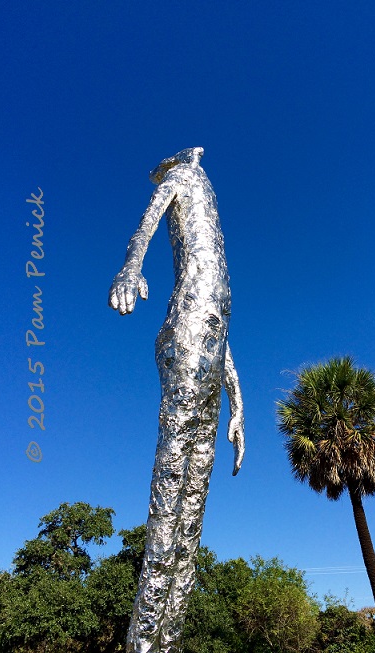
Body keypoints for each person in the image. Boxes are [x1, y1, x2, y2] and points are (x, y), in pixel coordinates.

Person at [109, 147, 244, 653]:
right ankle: (142, 644)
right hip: (185, 338)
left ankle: (166, 643)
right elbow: (148, 219)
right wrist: (129, 268)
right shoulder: (184, 177)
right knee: (171, 496)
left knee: (191, 512)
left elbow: (219, 329)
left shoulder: (204, 194)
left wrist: (238, 409)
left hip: (209, 344)